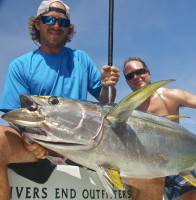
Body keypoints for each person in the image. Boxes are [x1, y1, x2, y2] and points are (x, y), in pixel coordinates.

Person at [0, 1, 120, 200]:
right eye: (49, 19)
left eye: (62, 22)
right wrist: (28, 139)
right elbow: (14, 115)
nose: (56, 26)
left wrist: (108, 85)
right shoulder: (20, 65)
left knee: (151, 177)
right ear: (38, 24)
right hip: (39, 146)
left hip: (83, 145)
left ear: (68, 28)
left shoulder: (81, 58)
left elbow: (105, 99)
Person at [122, 57, 196, 200]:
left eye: (140, 72)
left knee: (194, 197)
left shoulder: (170, 96)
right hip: (147, 166)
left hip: (177, 160)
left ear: (148, 73)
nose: (136, 77)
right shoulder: (127, 108)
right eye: (130, 76)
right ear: (127, 81)